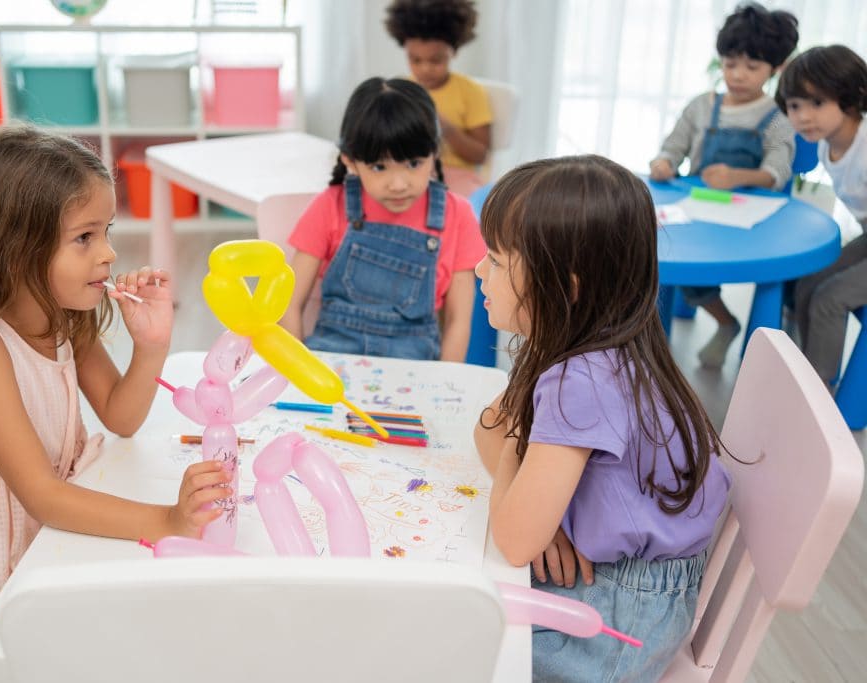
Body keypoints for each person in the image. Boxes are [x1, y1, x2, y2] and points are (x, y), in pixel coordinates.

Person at [0, 126, 232, 682]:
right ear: (13, 248)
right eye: (85, 237)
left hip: (48, 542)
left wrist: (152, 347)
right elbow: (43, 496)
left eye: (107, 231)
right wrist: (167, 521)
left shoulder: (64, 316)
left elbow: (121, 417)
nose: (110, 253)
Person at [474, 156, 732, 681]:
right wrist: (534, 503)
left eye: (498, 262)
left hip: (620, 613)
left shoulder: (583, 381)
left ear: (564, 286)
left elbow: (513, 535)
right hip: (622, 586)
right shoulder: (586, 343)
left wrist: (523, 481)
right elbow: (490, 428)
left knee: (442, 637)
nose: (480, 270)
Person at [281, 77, 485, 362]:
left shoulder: (458, 215)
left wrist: (445, 389)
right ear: (350, 161)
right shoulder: (330, 205)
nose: (398, 184)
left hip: (416, 374)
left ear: (435, 152)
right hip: (333, 373)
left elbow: (458, 322)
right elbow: (288, 306)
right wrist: (300, 375)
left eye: (414, 164)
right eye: (379, 167)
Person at [650, 2, 798, 369]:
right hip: (694, 211)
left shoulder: (775, 118)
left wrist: (739, 177)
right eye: (731, 64)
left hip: (743, 220)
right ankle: (674, 333)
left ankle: (725, 322)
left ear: (774, 68)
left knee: (697, 272)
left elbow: (776, 171)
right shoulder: (702, 106)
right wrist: (664, 163)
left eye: (752, 67)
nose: (739, 75)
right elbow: (674, 146)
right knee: (664, 254)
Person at [776, 45, 867, 386]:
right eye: (795, 105)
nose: (802, 116)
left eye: (817, 103)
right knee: (809, 281)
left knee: (830, 297)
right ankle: (804, 369)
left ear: (852, 96)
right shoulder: (828, 144)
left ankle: (819, 389)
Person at [385, 0, 492, 196]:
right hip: (410, 173)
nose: (425, 68)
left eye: (436, 60)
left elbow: (480, 155)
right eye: (415, 59)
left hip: (456, 176)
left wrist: (445, 127)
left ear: (454, 51)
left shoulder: (470, 92)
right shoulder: (399, 88)